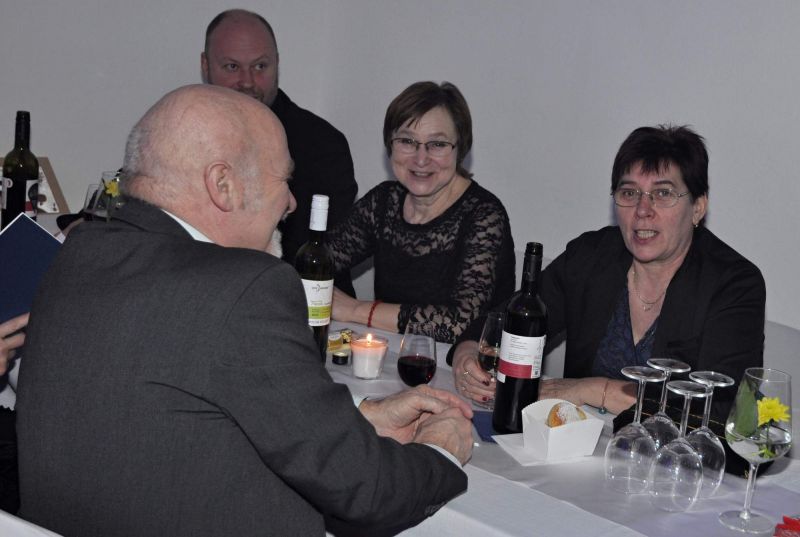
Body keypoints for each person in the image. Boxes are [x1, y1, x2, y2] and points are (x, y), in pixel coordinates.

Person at [16, 85, 474, 536]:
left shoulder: (80, 250)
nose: (291, 203)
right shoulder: (243, 286)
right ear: (223, 185)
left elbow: (177, 392)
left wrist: (361, 414)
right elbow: (366, 489)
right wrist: (441, 450)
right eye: (284, 180)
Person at [450, 125, 765, 422]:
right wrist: (468, 354)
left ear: (698, 207)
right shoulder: (590, 257)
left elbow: (721, 411)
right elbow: (505, 320)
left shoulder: (734, 284)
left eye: (663, 194)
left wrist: (593, 390)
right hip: (574, 443)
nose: (643, 210)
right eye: (629, 193)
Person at [328, 81, 515, 343]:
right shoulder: (384, 201)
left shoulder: (484, 215)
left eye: (437, 144)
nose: (421, 159)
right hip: (394, 354)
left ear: (460, 148)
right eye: (407, 141)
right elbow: (318, 260)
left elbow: (461, 323)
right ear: (390, 145)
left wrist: (355, 310)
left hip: (463, 364)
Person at [202, 9, 358, 295]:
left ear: (277, 64)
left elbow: (320, 253)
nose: (247, 81)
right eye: (232, 67)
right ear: (205, 66)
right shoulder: (182, 138)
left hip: (299, 304)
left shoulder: (322, 144)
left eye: (260, 66)